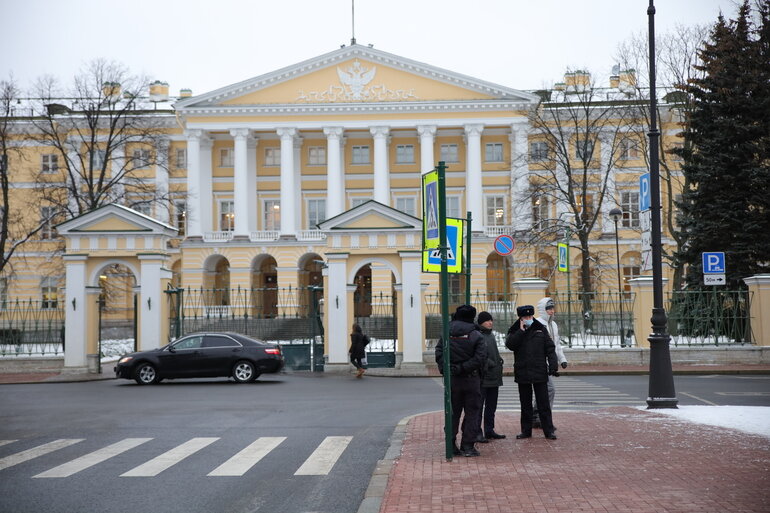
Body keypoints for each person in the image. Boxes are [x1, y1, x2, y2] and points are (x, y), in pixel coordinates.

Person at [435, 304, 487, 457]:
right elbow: (480, 358)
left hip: (453, 380)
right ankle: (468, 446)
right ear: (472, 317)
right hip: (471, 379)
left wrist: (447, 369)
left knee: (452, 413)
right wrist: (463, 368)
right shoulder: (476, 334)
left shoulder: (447, 332)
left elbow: (439, 352)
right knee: (472, 413)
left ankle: (450, 444)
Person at [505, 304, 558, 440]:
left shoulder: (540, 328)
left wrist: (553, 365)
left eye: (530, 316)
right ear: (521, 318)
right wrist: (521, 331)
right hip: (523, 371)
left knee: (543, 404)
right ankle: (526, 431)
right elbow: (510, 345)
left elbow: (550, 348)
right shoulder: (515, 329)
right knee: (525, 404)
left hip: (540, 371)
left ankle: (549, 430)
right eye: (525, 316)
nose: (528, 318)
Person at [532, 297, 568, 429]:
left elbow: (556, 345)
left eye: (552, 308)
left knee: (544, 390)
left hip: (550, 363)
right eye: (548, 309)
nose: (551, 311)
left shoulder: (553, 325)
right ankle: (543, 418)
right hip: (540, 363)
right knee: (550, 390)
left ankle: (535, 416)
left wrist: (562, 359)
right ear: (543, 310)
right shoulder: (536, 323)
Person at [476, 311, 506, 441]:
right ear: (481, 322)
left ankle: (489, 430)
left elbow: (493, 352)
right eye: (487, 321)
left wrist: (499, 359)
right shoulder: (479, 335)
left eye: (491, 320)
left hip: (494, 376)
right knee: (479, 406)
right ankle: (477, 432)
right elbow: (479, 355)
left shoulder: (491, 335)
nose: (490, 322)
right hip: (484, 377)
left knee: (491, 406)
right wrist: (491, 363)